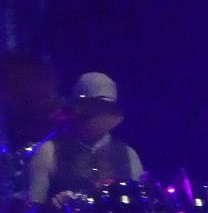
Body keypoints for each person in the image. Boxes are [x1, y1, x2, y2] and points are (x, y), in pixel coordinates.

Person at [25, 72, 145, 206]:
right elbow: (32, 210)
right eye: (91, 109)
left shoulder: (128, 154)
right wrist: (55, 205)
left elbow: (142, 206)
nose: (97, 115)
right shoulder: (48, 152)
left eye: (104, 108)